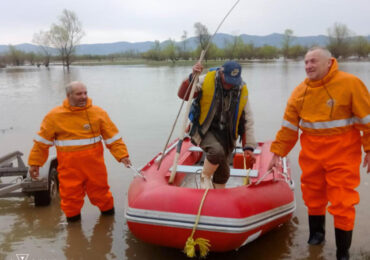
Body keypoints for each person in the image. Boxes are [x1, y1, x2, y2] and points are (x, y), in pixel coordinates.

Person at [268, 47, 370, 260]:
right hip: (311, 156)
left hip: (342, 156)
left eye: (313, 61)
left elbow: (367, 120)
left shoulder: (350, 84)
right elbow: (288, 128)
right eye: (306, 62)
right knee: (312, 197)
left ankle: (343, 253)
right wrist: (277, 152)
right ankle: (316, 238)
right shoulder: (299, 92)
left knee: (342, 202)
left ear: (329, 62)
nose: (308, 66)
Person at [28, 81, 131, 222]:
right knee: (70, 201)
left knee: (102, 196)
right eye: (79, 94)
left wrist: (122, 156)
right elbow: (41, 144)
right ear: (68, 95)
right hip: (69, 169)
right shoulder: (54, 116)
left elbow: (113, 138)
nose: (83, 97)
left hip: (95, 168)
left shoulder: (98, 113)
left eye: (85, 93)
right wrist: (35, 163)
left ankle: (108, 224)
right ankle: (73, 231)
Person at [178, 61, 257, 189]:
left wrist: (248, 147)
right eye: (227, 81)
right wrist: (191, 78)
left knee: (224, 173)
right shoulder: (206, 80)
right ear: (221, 73)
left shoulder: (241, 89)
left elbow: (247, 119)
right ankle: (205, 176)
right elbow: (184, 95)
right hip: (204, 129)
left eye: (232, 82)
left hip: (226, 134)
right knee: (216, 152)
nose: (229, 85)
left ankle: (216, 195)